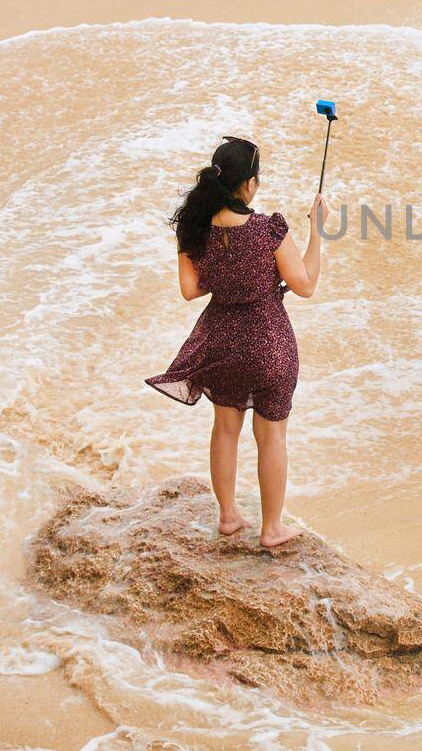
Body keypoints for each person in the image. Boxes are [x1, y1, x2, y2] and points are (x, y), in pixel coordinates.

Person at [145, 135, 325, 548]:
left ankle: (228, 517)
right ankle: (272, 529)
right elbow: (306, 285)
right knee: (272, 437)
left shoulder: (194, 231)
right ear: (249, 186)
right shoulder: (268, 229)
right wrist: (317, 233)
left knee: (225, 430)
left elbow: (190, 291)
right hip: (269, 342)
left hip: (221, 341)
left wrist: (221, 269)